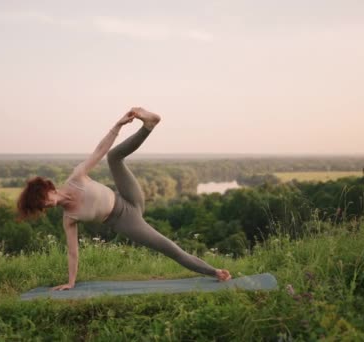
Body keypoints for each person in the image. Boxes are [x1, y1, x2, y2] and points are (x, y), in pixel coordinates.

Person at [16, 107, 232, 291]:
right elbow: (73, 252)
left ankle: (149, 125)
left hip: (129, 196)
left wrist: (118, 124)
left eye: (43, 199)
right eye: (41, 206)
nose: (45, 205)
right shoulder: (69, 218)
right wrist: (71, 282)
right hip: (125, 221)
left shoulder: (76, 178)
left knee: (113, 157)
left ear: (48, 189)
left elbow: (100, 149)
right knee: (169, 248)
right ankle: (215, 272)